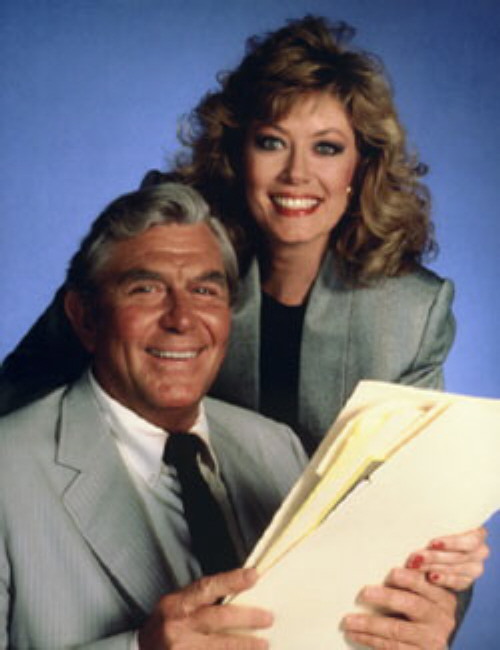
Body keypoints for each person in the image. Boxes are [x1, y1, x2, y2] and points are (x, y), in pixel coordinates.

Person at [0, 13, 488, 627]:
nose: (297, 174)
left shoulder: (410, 312)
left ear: (360, 169)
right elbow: (24, 393)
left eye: (327, 148)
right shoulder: (179, 250)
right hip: (130, 553)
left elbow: (419, 515)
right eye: (271, 142)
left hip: (317, 602)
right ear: (236, 153)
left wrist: (439, 583)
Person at [0, 183, 469, 649]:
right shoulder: (9, 470)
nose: (182, 319)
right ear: (84, 317)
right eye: (146, 289)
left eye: (205, 290)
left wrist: (400, 633)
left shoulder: (276, 447)